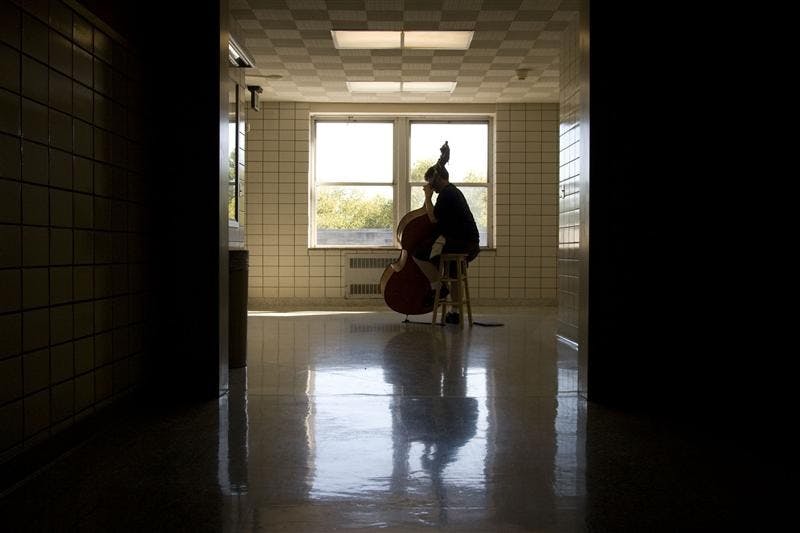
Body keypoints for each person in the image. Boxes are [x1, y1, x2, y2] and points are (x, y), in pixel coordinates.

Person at [413, 141, 480, 323]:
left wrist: (427, 198)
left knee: (418, 253)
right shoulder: (451, 192)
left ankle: (439, 288)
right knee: (453, 273)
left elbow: (434, 219)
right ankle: (455, 314)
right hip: (468, 241)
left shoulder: (447, 194)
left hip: (462, 242)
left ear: (438, 178)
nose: (431, 187)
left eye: (431, 183)